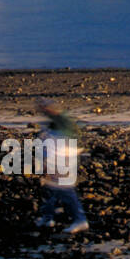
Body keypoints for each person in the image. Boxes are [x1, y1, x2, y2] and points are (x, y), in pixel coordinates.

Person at [33, 98, 88, 235]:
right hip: (56, 159)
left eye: (45, 107)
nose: (43, 110)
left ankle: (80, 220)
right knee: (50, 188)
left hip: (62, 160)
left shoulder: (63, 122)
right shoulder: (56, 121)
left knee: (65, 189)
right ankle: (48, 218)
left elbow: (73, 142)